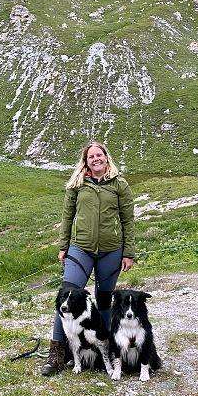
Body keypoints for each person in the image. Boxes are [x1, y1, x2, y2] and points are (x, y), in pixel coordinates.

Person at [41, 141, 135, 376]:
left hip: (111, 251)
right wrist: (64, 246)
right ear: (86, 161)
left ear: (106, 157)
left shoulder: (119, 184)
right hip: (80, 249)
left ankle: (105, 352)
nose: (96, 159)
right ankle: (57, 355)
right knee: (66, 298)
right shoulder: (77, 185)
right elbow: (67, 217)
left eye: (99, 155)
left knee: (104, 302)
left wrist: (128, 252)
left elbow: (128, 221)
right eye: (91, 156)